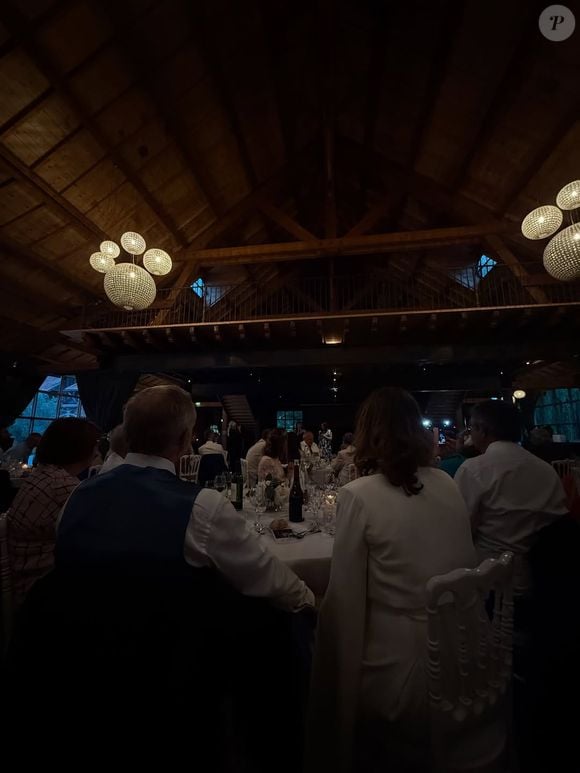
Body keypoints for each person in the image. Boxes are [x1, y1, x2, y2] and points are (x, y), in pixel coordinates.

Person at [307, 388, 476, 773]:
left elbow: (345, 605)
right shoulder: (447, 483)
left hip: (403, 677)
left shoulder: (358, 495)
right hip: (464, 659)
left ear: (368, 433)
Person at [455, 401, 568, 591]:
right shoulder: (545, 469)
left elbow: (462, 528)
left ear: (482, 430)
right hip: (546, 576)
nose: (470, 433)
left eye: (471, 427)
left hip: (489, 578)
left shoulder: (474, 469)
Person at [7, 418, 99, 609]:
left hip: (23, 576)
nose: (97, 450)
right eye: (94, 444)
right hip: (40, 589)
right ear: (81, 449)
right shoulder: (64, 486)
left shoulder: (43, 473)